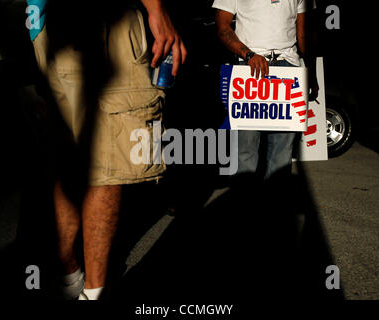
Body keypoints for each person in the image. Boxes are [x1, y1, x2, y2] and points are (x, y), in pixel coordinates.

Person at [28, 0, 187, 300]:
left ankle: (69, 274)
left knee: (70, 154)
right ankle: (94, 292)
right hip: (102, 17)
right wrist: (156, 8)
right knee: (110, 154)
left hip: (47, 17)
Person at [213, 0, 318, 181]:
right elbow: (223, 27)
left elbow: (303, 33)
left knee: (282, 148)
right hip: (250, 67)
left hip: (288, 67)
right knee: (246, 145)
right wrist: (248, 54)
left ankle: (275, 206)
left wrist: (312, 73)